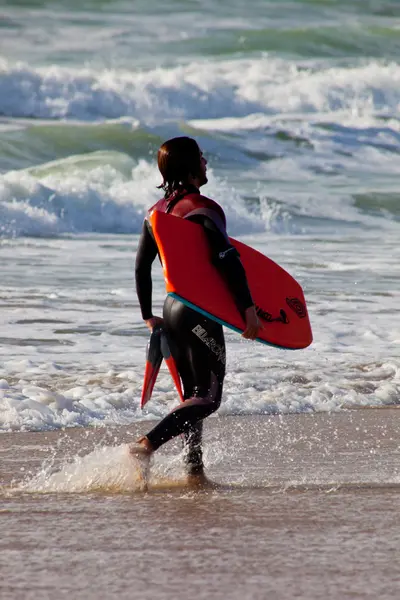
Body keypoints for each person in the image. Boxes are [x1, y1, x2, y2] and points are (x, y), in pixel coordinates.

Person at [130, 136, 261, 486]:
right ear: (190, 168)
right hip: (199, 311)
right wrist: (247, 308)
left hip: (172, 307)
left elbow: (142, 268)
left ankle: (194, 470)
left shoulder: (156, 212)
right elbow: (227, 258)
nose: (206, 162)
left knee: (192, 396)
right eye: (201, 158)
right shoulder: (203, 207)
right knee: (209, 398)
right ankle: (147, 444)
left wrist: (148, 314)